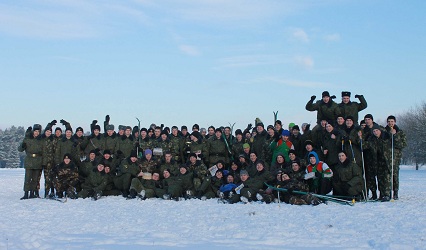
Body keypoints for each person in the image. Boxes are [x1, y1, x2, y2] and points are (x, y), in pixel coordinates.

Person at [18, 124, 44, 199]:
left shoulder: (41, 140)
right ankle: (26, 193)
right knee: (27, 178)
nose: (37, 133)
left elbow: (44, 151)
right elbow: (20, 149)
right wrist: (23, 145)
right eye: (35, 131)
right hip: (29, 160)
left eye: (38, 131)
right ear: (33, 131)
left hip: (38, 160)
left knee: (35, 179)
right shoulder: (27, 139)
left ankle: (32, 193)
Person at [384, 115, 407, 200]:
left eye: (392, 121)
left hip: (395, 158)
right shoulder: (384, 131)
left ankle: (395, 191)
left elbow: (402, 145)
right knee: (386, 176)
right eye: (389, 121)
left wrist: (395, 135)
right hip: (386, 157)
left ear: (395, 122)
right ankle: (387, 193)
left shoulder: (400, 132)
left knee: (395, 175)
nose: (390, 123)